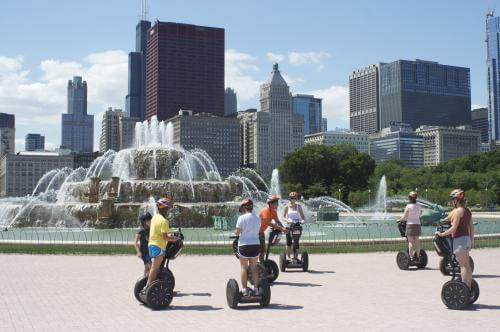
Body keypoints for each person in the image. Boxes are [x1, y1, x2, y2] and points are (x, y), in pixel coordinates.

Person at [436, 189, 474, 289]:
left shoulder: (458, 211)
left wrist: (441, 234)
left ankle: (464, 289)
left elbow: (453, 228)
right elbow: (471, 227)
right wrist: (472, 241)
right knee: (467, 266)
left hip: (459, 240)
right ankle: (468, 288)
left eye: (452, 199)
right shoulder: (467, 211)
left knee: (463, 266)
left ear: (456, 200)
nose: (452, 201)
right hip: (466, 239)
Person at [145, 196, 181, 288]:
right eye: (168, 209)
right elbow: (165, 237)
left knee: (156, 267)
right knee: (155, 268)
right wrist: (175, 239)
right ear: (165, 209)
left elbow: (160, 232)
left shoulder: (155, 217)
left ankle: (148, 283)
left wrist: (173, 233)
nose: (168, 211)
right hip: (158, 247)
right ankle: (148, 286)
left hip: (152, 245)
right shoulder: (164, 221)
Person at [235, 198, 261, 296]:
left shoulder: (241, 218)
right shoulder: (257, 218)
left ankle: (245, 290)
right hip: (255, 245)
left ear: (244, 207)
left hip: (244, 245)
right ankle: (256, 289)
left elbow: (237, 232)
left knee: (243, 267)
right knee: (254, 267)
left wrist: (237, 232)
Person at [258, 195, 287, 263]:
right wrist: (281, 228)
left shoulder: (273, 211)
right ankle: (259, 264)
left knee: (262, 250)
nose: (277, 204)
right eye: (276, 202)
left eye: (277, 202)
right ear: (270, 203)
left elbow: (277, 221)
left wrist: (283, 228)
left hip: (261, 232)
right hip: (255, 232)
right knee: (259, 250)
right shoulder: (265, 210)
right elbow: (268, 223)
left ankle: (262, 264)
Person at [398, 192, 422, 262]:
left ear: (410, 198)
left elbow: (404, 216)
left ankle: (411, 258)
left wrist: (400, 220)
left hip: (410, 224)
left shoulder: (408, 206)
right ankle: (418, 256)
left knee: (410, 241)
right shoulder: (419, 206)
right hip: (417, 224)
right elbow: (419, 214)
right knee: (417, 241)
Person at [282, 192, 305, 259]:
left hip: (297, 225)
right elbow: (283, 217)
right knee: (288, 242)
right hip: (289, 225)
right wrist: (287, 220)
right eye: (292, 198)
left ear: (296, 198)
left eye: (295, 198)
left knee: (296, 242)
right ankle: (288, 257)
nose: (293, 199)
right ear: (290, 198)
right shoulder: (286, 206)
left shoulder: (299, 206)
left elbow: (303, 216)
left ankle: (296, 257)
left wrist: (302, 220)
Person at [134, 212, 152, 277]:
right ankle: (148, 281)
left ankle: (144, 278)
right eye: (148, 220)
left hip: (150, 251)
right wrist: (138, 252)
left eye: (150, 219)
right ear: (144, 222)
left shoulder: (151, 229)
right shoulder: (141, 231)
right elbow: (135, 243)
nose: (150, 221)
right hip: (144, 252)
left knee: (147, 267)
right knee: (150, 266)